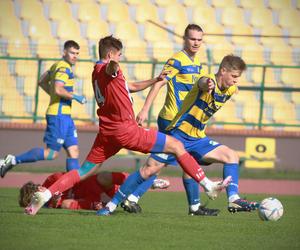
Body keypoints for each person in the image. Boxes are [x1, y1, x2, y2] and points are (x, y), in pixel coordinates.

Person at [24, 35, 230, 216]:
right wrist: (113, 64)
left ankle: (46, 194)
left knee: (83, 170)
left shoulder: (97, 72)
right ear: (113, 54)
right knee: (176, 145)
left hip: (107, 133)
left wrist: (155, 79)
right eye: (120, 55)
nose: (121, 59)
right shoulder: (107, 68)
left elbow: (129, 86)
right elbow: (112, 69)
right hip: (126, 130)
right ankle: (208, 185)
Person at [117, 54, 259, 215]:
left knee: (231, 156)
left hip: (198, 139)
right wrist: (207, 83)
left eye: (237, 77)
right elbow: (203, 82)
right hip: (178, 135)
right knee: (151, 168)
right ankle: (125, 199)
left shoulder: (231, 88)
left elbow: (230, 87)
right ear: (223, 70)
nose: (235, 81)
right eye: (233, 76)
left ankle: (232, 199)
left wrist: (228, 83)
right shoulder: (205, 79)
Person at [123, 24, 220, 216]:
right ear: (184, 39)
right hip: (172, 120)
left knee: (184, 162)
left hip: (185, 122)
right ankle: (128, 197)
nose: (196, 43)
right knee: (158, 164)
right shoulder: (177, 60)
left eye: (199, 39)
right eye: (193, 39)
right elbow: (159, 82)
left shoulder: (198, 61)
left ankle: (193, 206)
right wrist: (144, 109)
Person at [0, 40, 86, 178]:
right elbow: (58, 89)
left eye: (77, 53)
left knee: (73, 151)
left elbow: (42, 81)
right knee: (51, 153)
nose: (75, 56)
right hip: (58, 115)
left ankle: (73, 189)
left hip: (66, 117)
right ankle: (12, 160)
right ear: (64, 52)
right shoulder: (64, 68)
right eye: (72, 53)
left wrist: (54, 94)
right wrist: (75, 96)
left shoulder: (56, 66)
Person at [19, 171, 169, 211]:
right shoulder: (47, 204)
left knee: (103, 176)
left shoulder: (54, 179)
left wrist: (100, 193)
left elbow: (78, 176)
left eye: (34, 199)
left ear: (39, 189)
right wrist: (94, 203)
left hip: (95, 185)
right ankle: (103, 206)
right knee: (65, 205)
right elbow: (66, 204)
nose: (36, 202)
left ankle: (146, 181)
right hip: (91, 200)